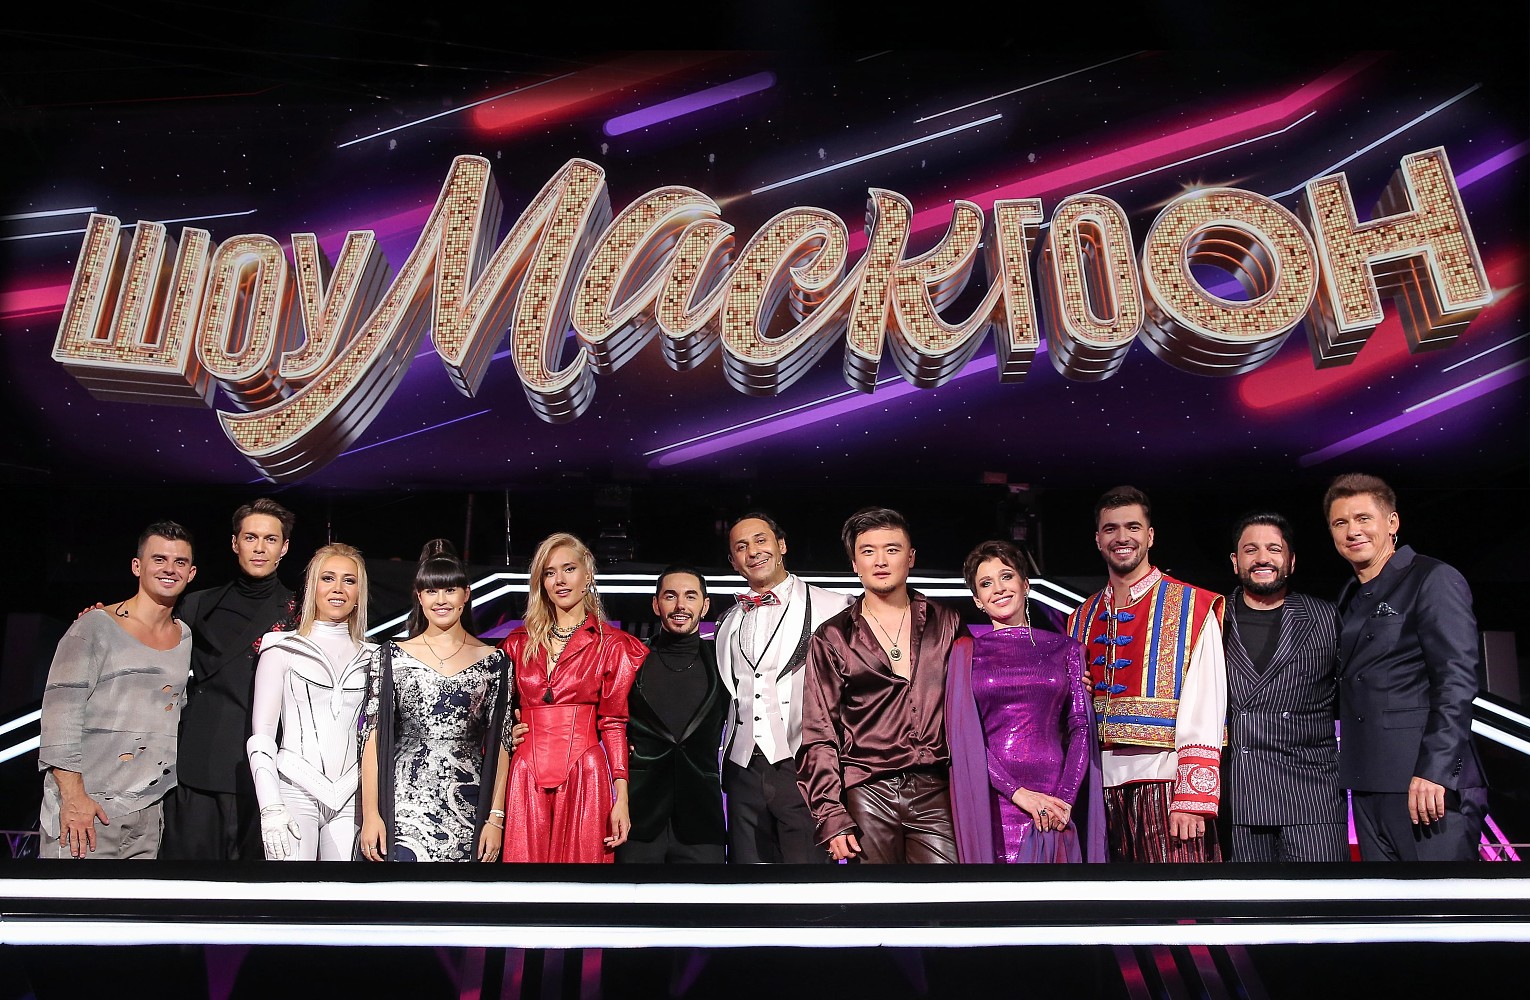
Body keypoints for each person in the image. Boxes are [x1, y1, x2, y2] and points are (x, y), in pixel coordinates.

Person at [1325, 473, 1488, 861]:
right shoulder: (1348, 595)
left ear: (1392, 523)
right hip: (1368, 785)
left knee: (1440, 899)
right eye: (1340, 522)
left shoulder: (1432, 578)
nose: (1352, 531)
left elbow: (1455, 682)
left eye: (1363, 518)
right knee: (1387, 901)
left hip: (1427, 785)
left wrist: (1435, 770)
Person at [1065, 486, 1227, 863]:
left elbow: (1207, 702)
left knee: (1179, 896)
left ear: (1150, 536)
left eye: (1133, 527)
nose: (1122, 537)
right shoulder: (1080, 618)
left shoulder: (1193, 606)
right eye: (1111, 529)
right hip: (1096, 791)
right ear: (1097, 539)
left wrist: (1192, 797)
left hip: (1167, 786)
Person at [798, 507, 966, 864]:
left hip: (936, 788)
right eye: (868, 551)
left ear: (911, 557)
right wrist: (830, 814)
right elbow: (819, 731)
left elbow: (981, 692)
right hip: (867, 791)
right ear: (855, 564)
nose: (880, 561)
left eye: (892, 549)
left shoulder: (946, 622)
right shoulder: (832, 636)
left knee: (948, 893)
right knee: (875, 897)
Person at [39, 522, 196, 859]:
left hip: (148, 814)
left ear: (191, 573)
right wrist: (74, 798)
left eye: (180, 562)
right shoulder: (95, 626)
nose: (170, 569)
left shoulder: (184, 637)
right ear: (137, 566)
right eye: (159, 559)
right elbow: (59, 718)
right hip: (87, 810)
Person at [946, 540, 1105, 863]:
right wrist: (1018, 793)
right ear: (977, 600)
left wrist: (1064, 799)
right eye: (986, 583)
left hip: (1056, 798)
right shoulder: (965, 654)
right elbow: (964, 738)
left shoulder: (1066, 649)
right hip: (992, 798)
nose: (998, 589)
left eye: (1006, 577)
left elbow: (1080, 727)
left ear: (1026, 584)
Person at [162, 498, 299, 861]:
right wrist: (112, 616)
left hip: (263, 773)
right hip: (197, 766)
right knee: (188, 883)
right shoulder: (196, 605)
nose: (260, 548)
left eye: (270, 539)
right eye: (251, 537)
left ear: (284, 547)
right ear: (235, 543)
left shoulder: (299, 612)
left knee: (253, 886)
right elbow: (151, 643)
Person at [358, 540, 509, 862]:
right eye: (431, 591)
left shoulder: (494, 661)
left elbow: (502, 742)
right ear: (419, 596)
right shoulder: (390, 657)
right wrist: (371, 814)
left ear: (466, 594)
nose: (441, 600)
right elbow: (372, 737)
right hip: (403, 803)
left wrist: (495, 819)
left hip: (469, 803)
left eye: (450, 590)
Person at [715, 512, 853, 864]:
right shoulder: (727, 621)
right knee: (748, 881)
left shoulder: (834, 606)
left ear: (782, 545)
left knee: (807, 879)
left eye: (761, 540)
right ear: (733, 561)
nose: (752, 551)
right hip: (742, 768)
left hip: (804, 764)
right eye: (741, 547)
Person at [499, 532, 645, 863]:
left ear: (587, 575)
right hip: (525, 774)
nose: (560, 581)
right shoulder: (516, 643)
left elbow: (613, 723)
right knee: (523, 880)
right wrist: (505, 735)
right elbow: (494, 716)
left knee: (581, 880)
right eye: (549, 573)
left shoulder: (612, 645)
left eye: (569, 569)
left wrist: (621, 797)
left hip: (585, 774)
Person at [1223, 513, 1347, 863]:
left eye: (1274, 549)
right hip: (1238, 797)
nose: (1262, 558)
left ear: (1291, 560)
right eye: (1251, 550)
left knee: (1321, 896)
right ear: (1235, 561)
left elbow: (1359, 689)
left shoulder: (1325, 618)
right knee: (1247, 901)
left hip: (1313, 796)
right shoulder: (1210, 618)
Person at [246, 543, 376, 861]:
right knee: (290, 888)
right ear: (312, 586)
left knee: (345, 892)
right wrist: (270, 806)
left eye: (349, 580)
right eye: (328, 578)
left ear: (359, 592)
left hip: (352, 794)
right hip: (293, 789)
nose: (338, 588)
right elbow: (262, 735)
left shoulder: (375, 657)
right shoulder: (281, 649)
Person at [617, 566, 728, 864]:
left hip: (702, 818)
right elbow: (604, 718)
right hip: (639, 818)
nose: (680, 605)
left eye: (690, 596)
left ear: (705, 605)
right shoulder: (631, 659)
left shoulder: (724, 661)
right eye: (670, 596)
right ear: (656, 605)